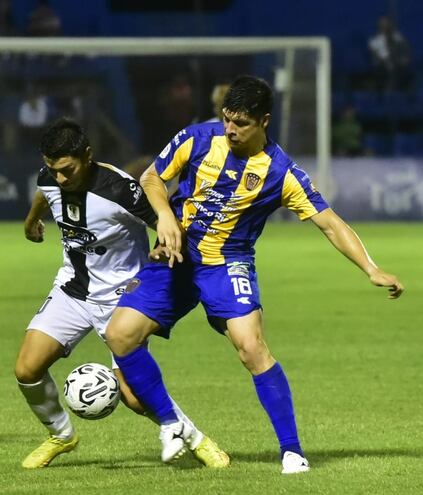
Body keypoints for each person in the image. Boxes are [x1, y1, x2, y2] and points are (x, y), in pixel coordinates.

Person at [105, 75, 404, 475]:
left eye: (241, 123)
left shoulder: (282, 172)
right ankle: (173, 425)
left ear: (264, 121)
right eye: (228, 119)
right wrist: (164, 217)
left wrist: (371, 268)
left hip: (227, 264)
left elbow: (330, 223)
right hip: (174, 255)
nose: (230, 129)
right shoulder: (196, 138)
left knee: (251, 346)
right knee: (119, 335)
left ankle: (292, 451)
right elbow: (152, 178)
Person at [15, 118, 229, 469]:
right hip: (73, 290)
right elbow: (44, 192)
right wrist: (30, 221)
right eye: (54, 170)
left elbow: (165, 221)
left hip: (121, 300)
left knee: (134, 397)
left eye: (68, 170)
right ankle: (61, 435)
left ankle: (195, 438)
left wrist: (162, 246)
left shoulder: (119, 190)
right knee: (26, 368)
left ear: (87, 155)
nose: (61, 178)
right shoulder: (50, 177)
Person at [368, 15, 413, 91]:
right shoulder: (374, 42)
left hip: (398, 68)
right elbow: (377, 59)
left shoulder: (400, 39)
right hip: (383, 70)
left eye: (387, 25)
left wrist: (402, 60)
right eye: (382, 25)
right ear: (379, 27)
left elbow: (405, 56)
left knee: (403, 71)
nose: (385, 27)